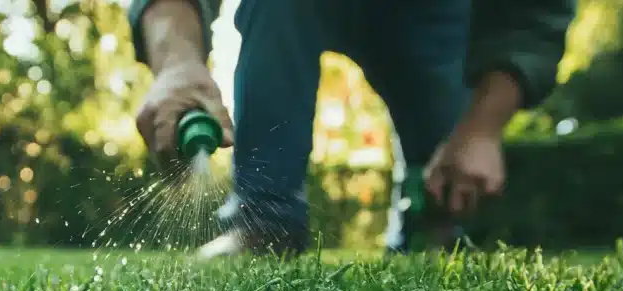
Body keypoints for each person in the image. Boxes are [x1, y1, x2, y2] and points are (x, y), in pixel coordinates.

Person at [128, 0, 575, 257]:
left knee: (444, 181)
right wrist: (177, 62)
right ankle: (266, 223)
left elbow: (533, 14)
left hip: (436, 12)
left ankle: (431, 224)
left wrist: (481, 128)